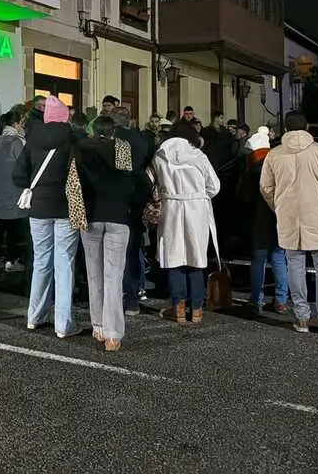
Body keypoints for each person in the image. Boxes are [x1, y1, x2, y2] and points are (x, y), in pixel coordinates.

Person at [260, 111, 318, 335]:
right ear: (307, 127)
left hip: (289, 218)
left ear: (285, 129)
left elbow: (266, 188)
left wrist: (278, 207)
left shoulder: (274, 155)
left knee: (294, 267)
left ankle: (301, 318)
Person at [13, 96, 82, 338]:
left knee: (41, 261)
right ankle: (63, 324)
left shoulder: (33, 138)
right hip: (65, 208)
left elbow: (18, 175)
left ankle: (35, 316)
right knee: (64, 264)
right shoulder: (74, 139)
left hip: (38, 208)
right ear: (65, 117)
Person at [76, 116, 136, 351]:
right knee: (113, 276)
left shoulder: (81, 149)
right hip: (118, 215)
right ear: (113, 132)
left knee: (94, 273)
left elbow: (74, 184)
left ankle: (98, 326)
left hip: (91, 215)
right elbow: (130, 182)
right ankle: (113, 334)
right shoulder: (122, 148)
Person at [153, 120, 221, 324]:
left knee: (173, 257)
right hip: (196, 208)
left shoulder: (160, 155)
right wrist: (199, 194)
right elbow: (214, 186)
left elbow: (154, 182)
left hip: (171, 207)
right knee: (196, 257)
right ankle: (197, 309)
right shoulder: (198, 155)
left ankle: (179, 308)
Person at [241, 127, 289, 315]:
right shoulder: (279, 164)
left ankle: (256, 299)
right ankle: (281, 300)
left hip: (260, 219)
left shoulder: (252, 170)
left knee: (259, 258)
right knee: (279, 257)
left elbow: (244, 198)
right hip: (279, 217)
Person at [110, 107, 151, 314]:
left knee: (113, 251)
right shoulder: (140, 141)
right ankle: (133, 296)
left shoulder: (111, 141)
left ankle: (114, 296)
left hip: (114, 199)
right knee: (134, 249)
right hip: (136, 198)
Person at [0, 107, 28, 272]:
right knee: (14, 225)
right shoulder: (16, 142)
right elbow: (24, 165)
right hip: (13, 189)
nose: (23, 126)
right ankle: (12, 260)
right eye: (22, 123)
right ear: (16, 124)